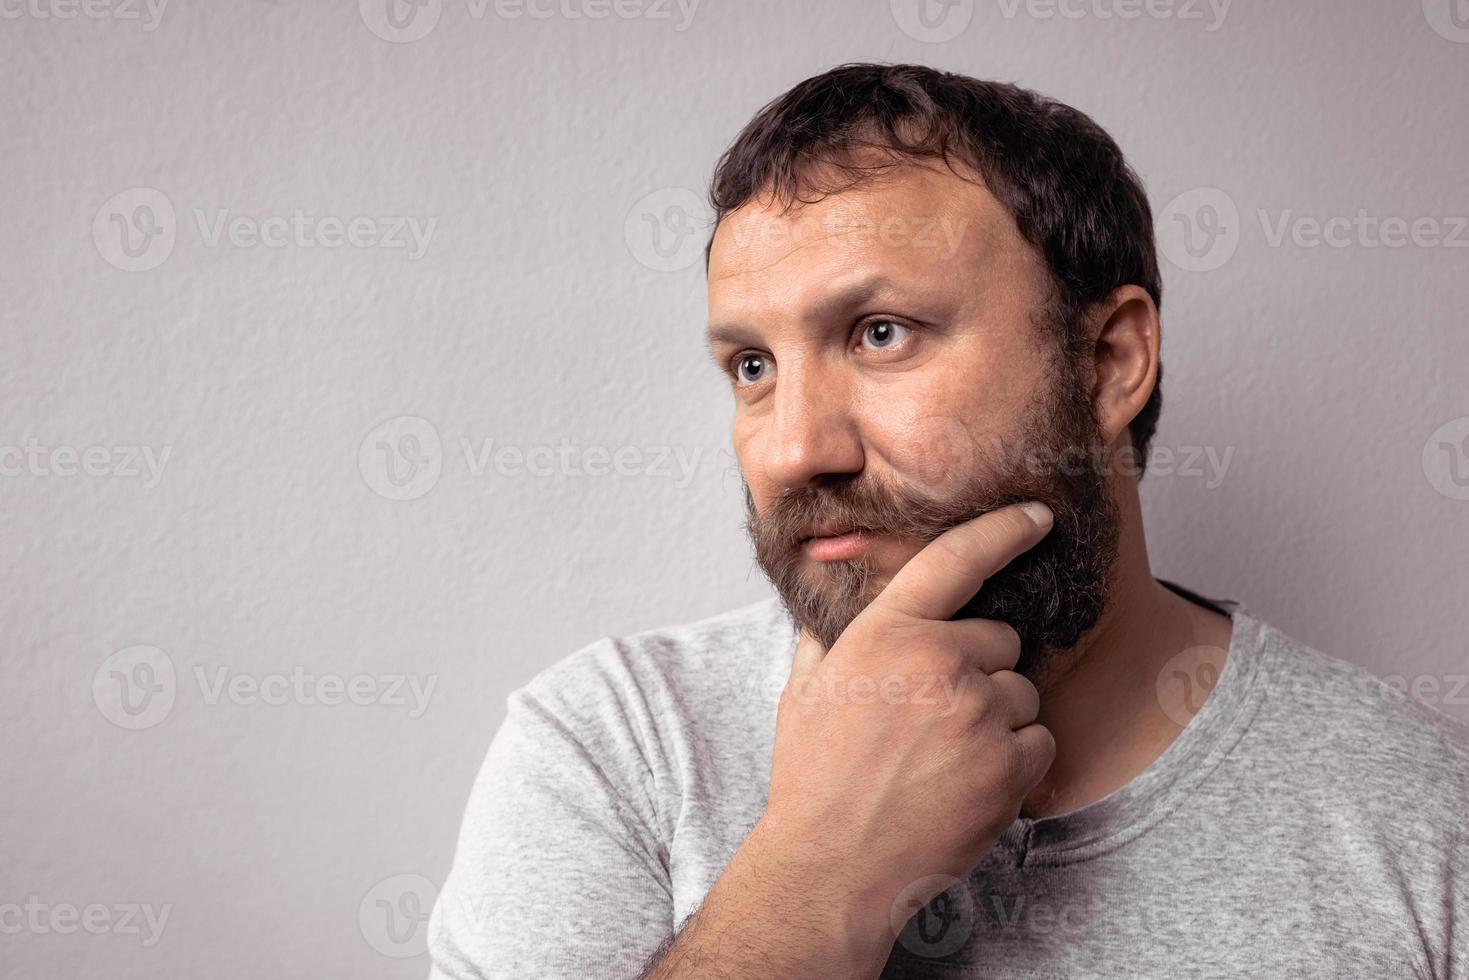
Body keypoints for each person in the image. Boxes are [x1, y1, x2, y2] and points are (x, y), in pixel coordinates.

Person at [428, 64, 1469, 978]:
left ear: (1108, 361)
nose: (793, 449)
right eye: (753, 366)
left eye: (880, 333)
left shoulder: (1426, 824)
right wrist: (820, 875)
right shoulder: (617, 746)